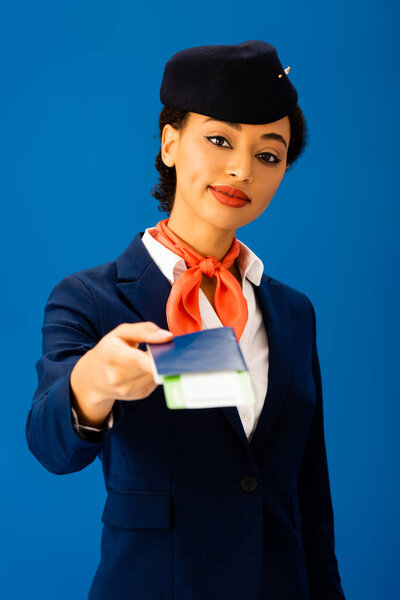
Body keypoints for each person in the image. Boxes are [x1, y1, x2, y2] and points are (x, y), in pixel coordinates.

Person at [25, 40, 347, 599]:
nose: (241, 169)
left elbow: (309, 497)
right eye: (219, 140)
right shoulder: (92, 298)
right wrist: (92, 383)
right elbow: (50, 443)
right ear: (170, 142)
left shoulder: (293, 311)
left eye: (269, 155)